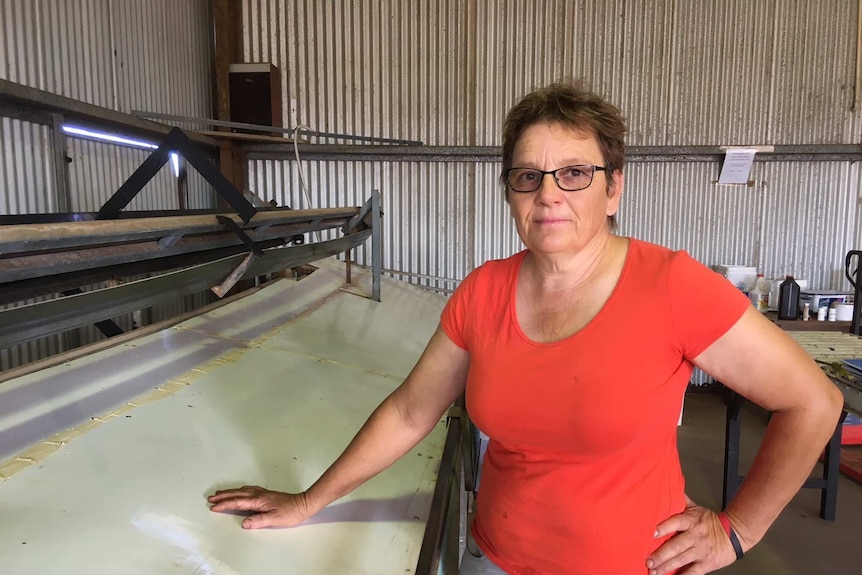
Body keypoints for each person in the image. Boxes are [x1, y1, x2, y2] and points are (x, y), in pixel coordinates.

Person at [208, 81, 845, 575]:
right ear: (511, 194)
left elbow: (814, 400)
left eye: (574, 172)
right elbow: (409, 411)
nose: (549, 194)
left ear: (613, 189)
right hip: (495, 557)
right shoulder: (484, 291)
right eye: (527, 177)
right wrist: (308, 501)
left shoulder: (671, 286)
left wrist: (739, 530)